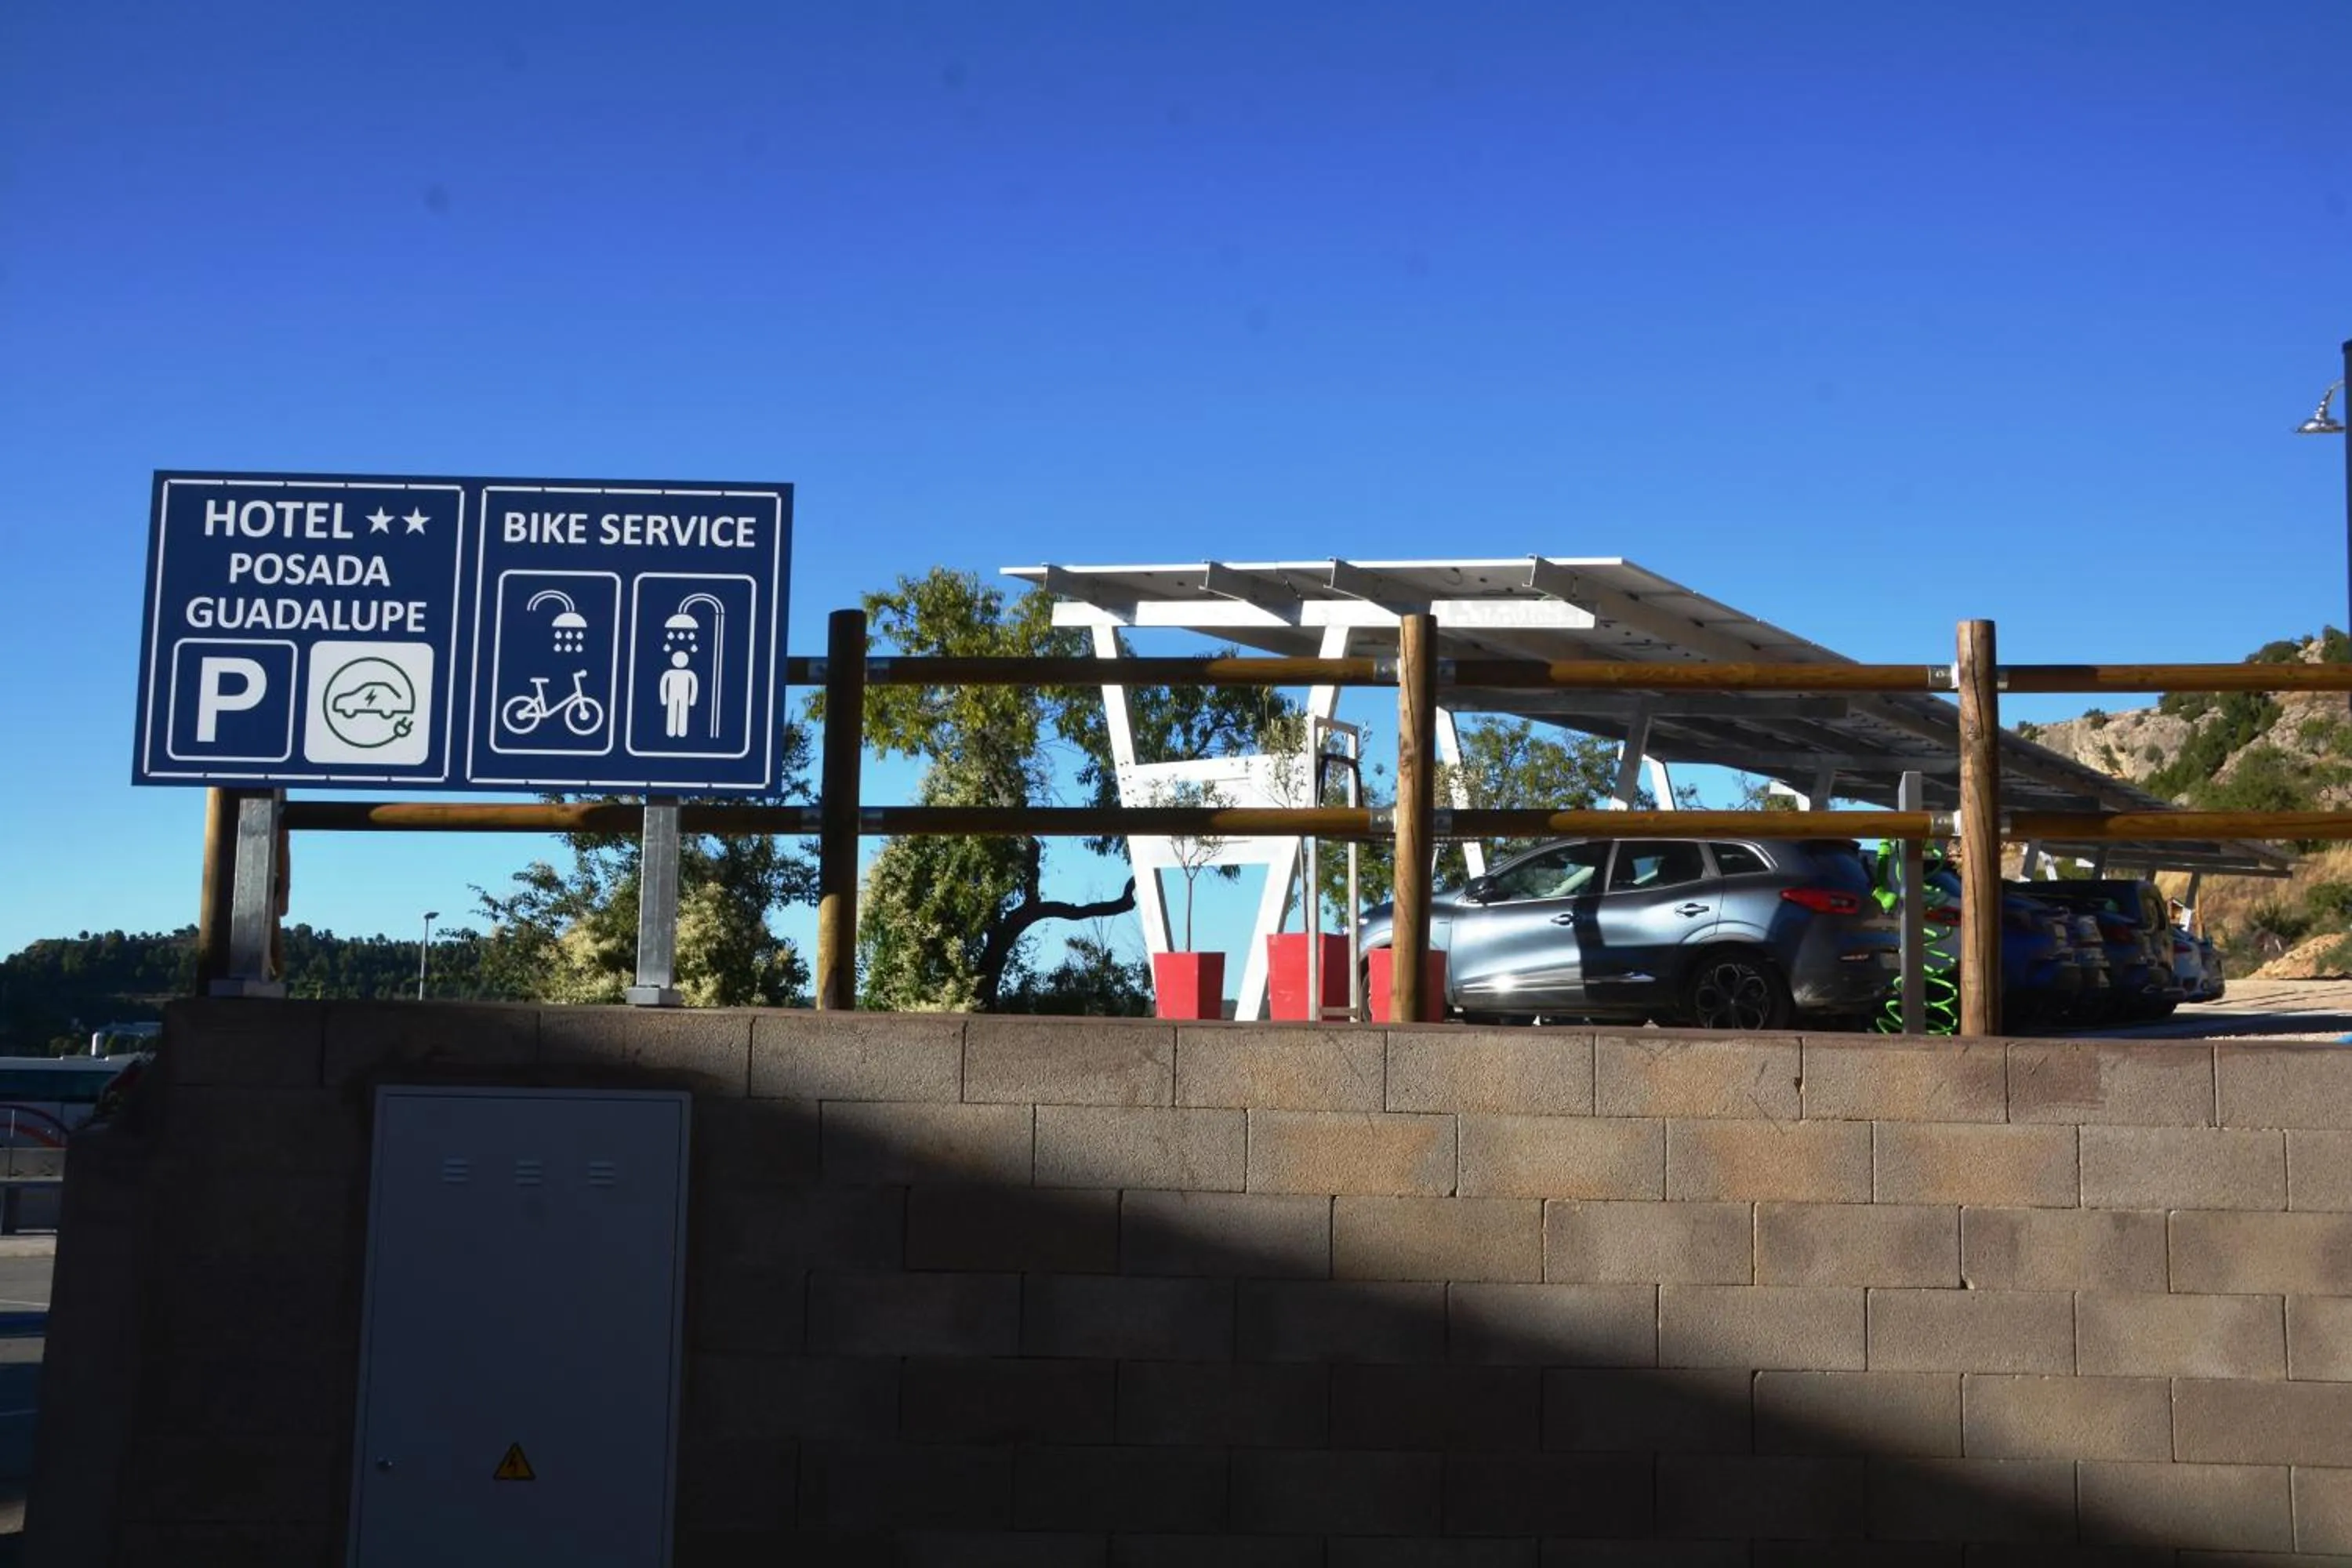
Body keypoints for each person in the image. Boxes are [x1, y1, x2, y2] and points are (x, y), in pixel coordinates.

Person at [659, 651, 699, 738]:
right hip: (672, 696)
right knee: (672, 712)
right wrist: (664, 699)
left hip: (684, 697)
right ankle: (671, 731)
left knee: (683, 712)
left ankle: (682, 732)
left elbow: (694, 686)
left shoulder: (689, 674)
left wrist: (692, 700)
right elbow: (663, 685)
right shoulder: (669, 673)